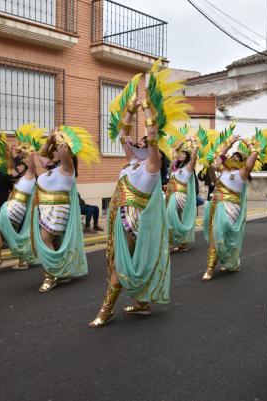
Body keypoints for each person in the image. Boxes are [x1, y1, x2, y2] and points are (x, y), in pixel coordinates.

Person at [89, 94, 171, 327]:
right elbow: (123, 134)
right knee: (124, 260)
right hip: (118, 214)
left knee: (121, 264)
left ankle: (106, 310)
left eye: (146, 142)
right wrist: (129, 109)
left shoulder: (152, 165)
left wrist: (147, 109)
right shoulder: (133, 161)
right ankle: (142, 303)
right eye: (141, 141)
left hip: (133, 218)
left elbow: (153, 135)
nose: (142, 142)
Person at [32, 128, 91, 292]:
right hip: (43, 208)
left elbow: (64, 151)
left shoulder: (67, 169)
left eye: (57, 148)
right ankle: (61, 271)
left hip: (57, 208)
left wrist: (58, 135)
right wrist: (49, 139)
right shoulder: (50, 170)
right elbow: (42, 155)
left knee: (45, 239)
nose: (55, 150)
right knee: (54, 241)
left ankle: (50, 276)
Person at [201, 134, 258, 281]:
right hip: (215, 204)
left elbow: (253, 156)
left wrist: (249, 144)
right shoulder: (223, 171)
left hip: (230, 207)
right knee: (216, 234)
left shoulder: (243, 173)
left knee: (223, 234)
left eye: (238, 158)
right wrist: (230, 142)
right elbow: (217, 159)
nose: (234, 158)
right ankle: (209, 268)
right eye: (233, 156)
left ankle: (228, 261)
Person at [0, 142, 38, 275]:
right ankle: (18, 259)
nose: (12, 170)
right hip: (11, 205)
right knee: (4, 232)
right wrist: (12, 151)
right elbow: (10, 165)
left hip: (16, 207)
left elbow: (32, 159)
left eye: (17, 166)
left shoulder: (30, 176)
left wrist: (25, 150)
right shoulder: (20, 179)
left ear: (23, 166)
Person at [166, 141, 198, 252]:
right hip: (170, 194)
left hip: (179, 195)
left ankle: (170, 243)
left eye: (184, 154)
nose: (180, 155)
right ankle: (182, 243)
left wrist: (194, 145)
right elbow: (174, 150)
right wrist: (184, 140)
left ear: (187, 157)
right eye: (181, 154)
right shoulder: (175, 168)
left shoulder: (188, 168)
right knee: (175, 218)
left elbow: (194, 158)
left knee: (170, 216)